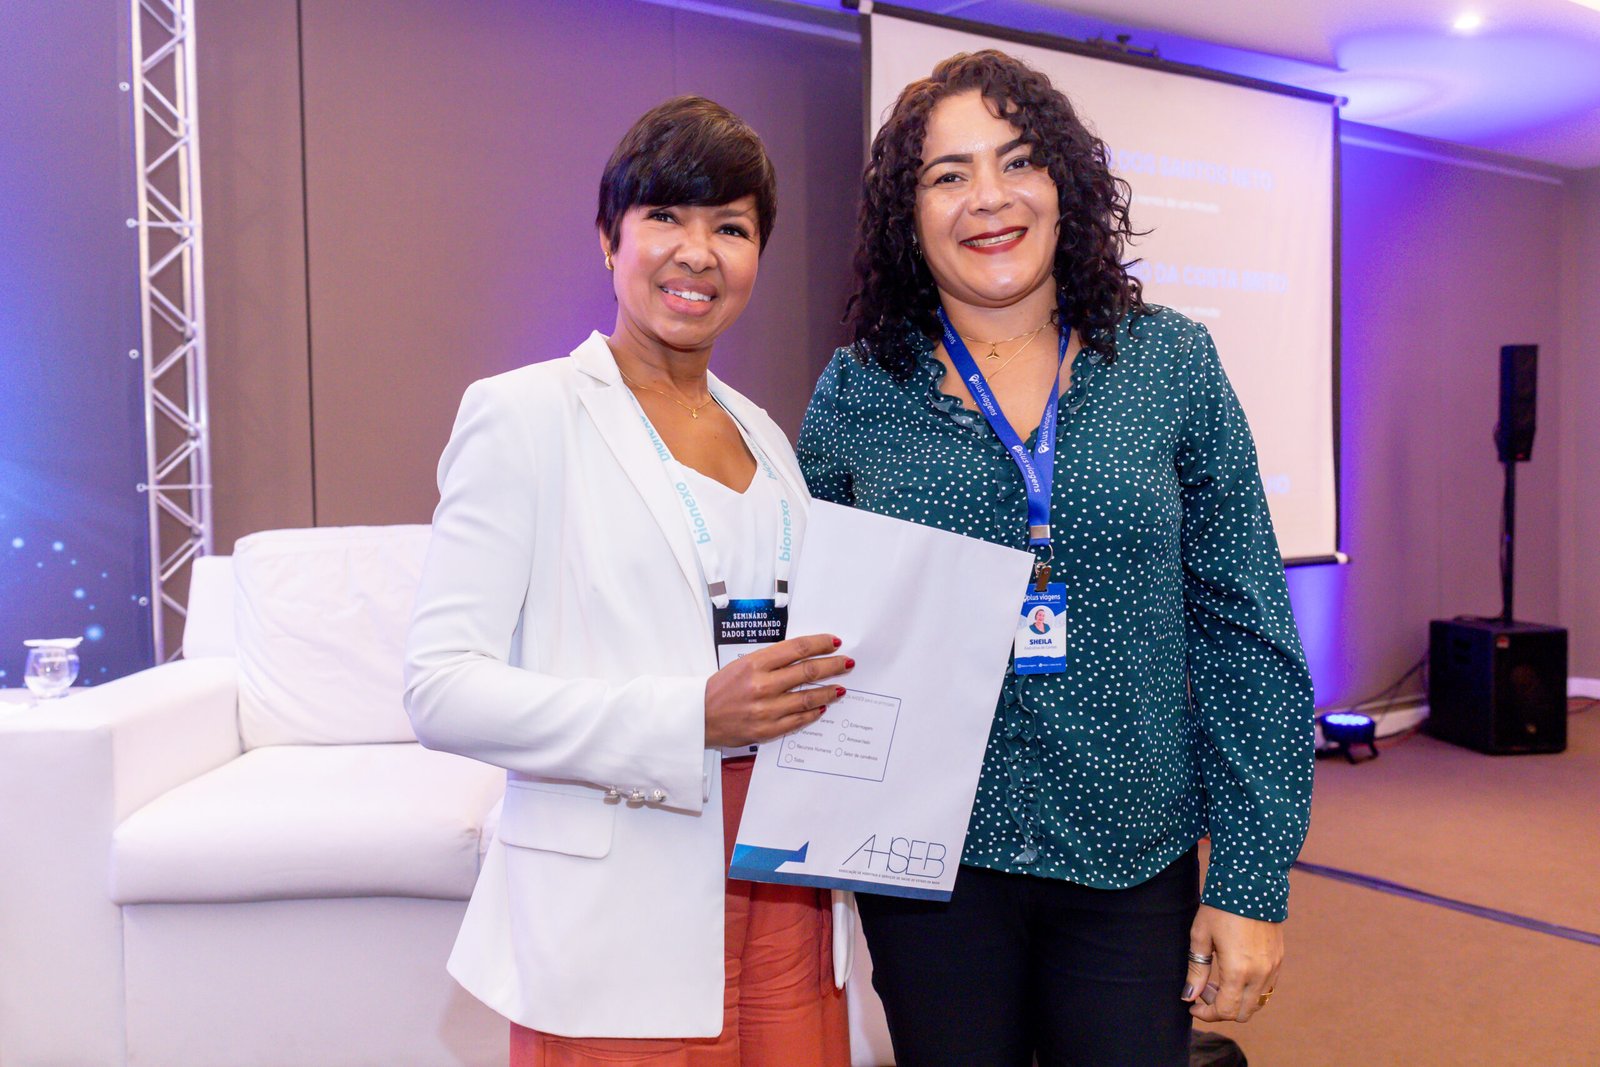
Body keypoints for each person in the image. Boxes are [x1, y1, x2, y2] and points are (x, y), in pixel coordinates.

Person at [798, 50, 1314, 1066]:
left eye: (1018, 161)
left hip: (1130, 851)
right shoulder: (858, 391)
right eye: (947, 174)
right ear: (908, 214)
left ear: (1065, 184)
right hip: (928, 864)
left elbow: (1245, 628)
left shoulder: (1168, 361)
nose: (988, 197)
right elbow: (817, 630)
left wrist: (1250, 878)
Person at [405, 96, 853, 1066]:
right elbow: (439, 687)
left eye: (731, 227)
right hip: (621, 898)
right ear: (609, 238)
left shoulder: (768, 436)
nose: (698, 253)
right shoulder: (525, 415)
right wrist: (688, 714)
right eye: (665, 217)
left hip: (787, 886)